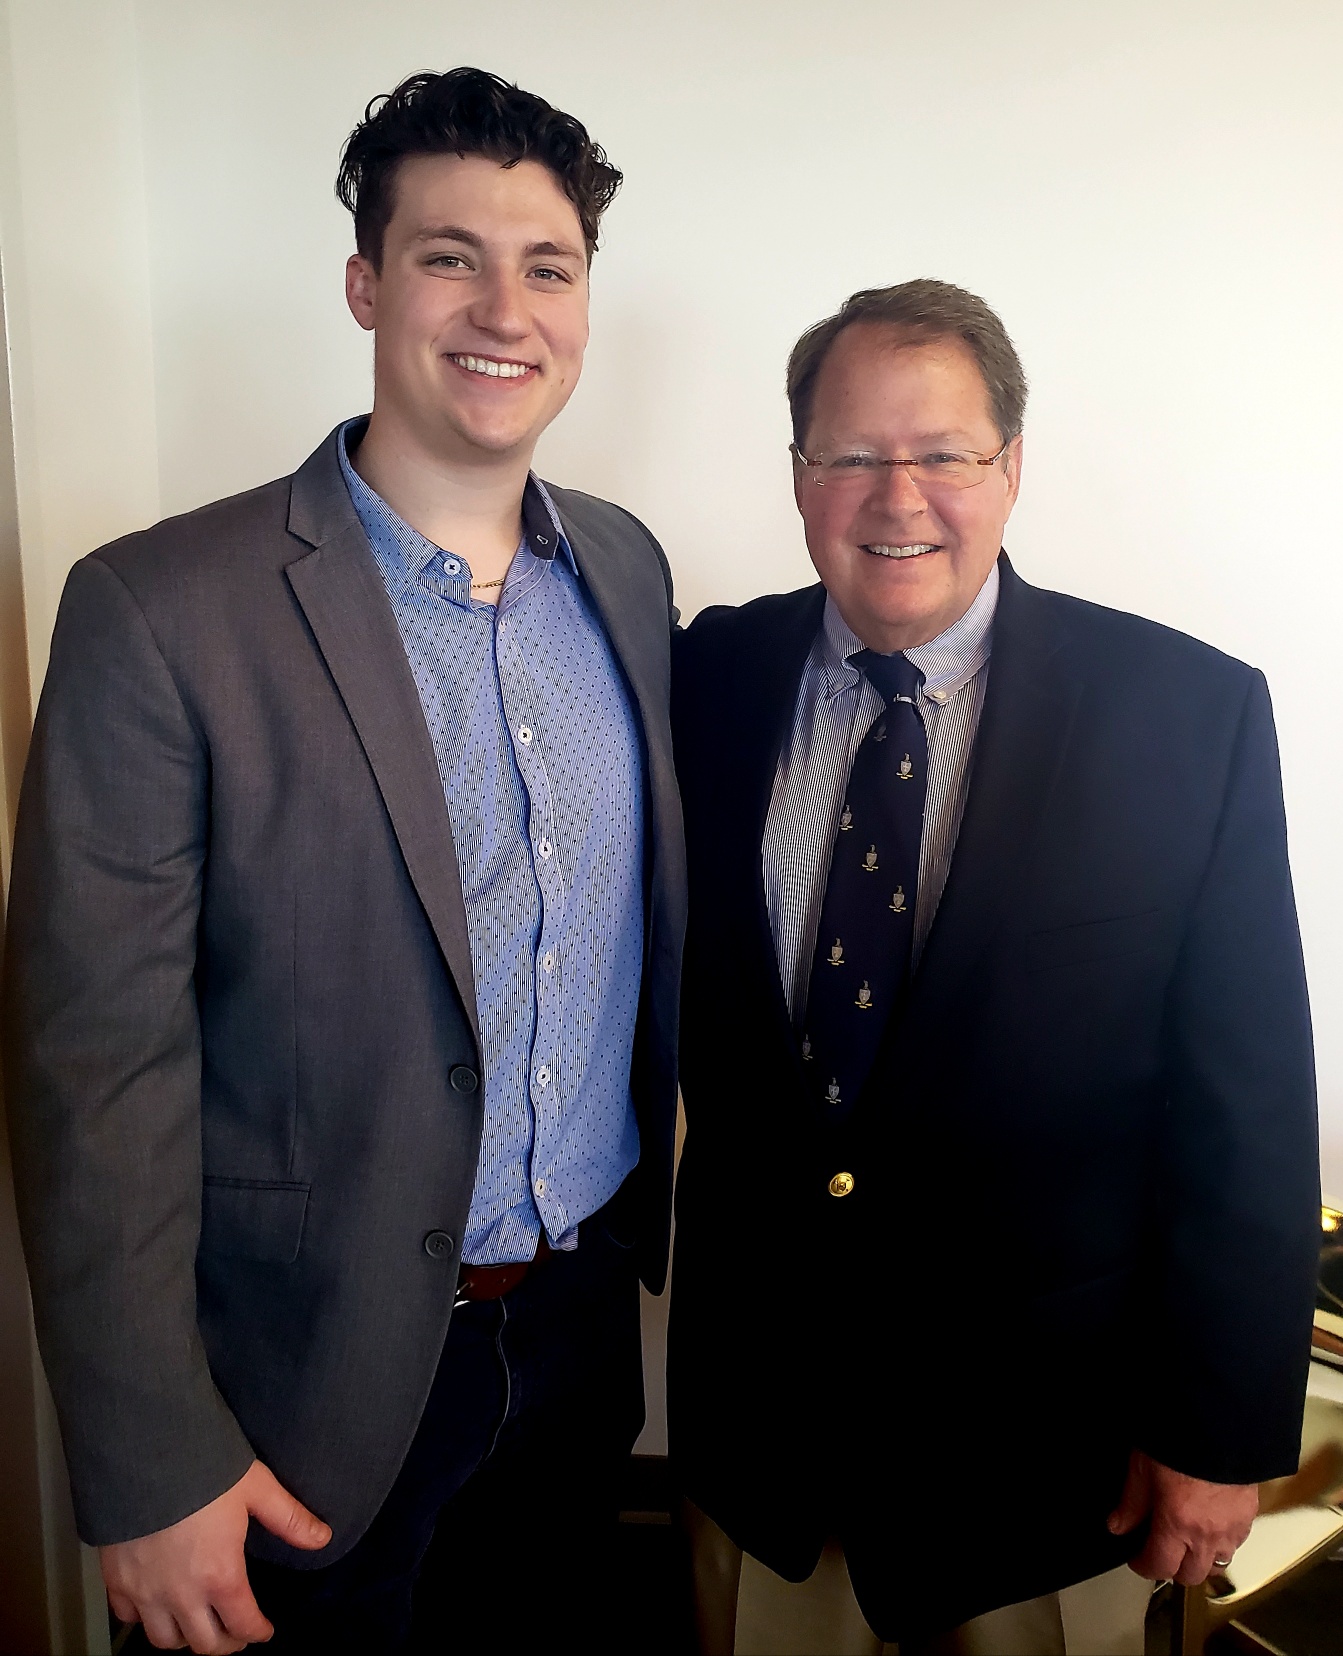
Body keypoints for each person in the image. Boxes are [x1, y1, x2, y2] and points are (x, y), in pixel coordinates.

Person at [4, 67, 684, 1656]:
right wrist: (149, 1458)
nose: (504, 308)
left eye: (548, 266)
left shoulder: (627, 567)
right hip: (295, 1385)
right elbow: (92, 1067)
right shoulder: (160, 609)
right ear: (368, 283)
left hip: (581, 1339)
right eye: (450, 257)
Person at [667, 279, 1318, 1655]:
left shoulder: (1185, 715)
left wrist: (1219, 1428)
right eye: (852, 453)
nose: (897, 497)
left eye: (944, 454)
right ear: (800, 475)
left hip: (1047, 1469)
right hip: (767, 1451)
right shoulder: (701, 679)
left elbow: (1250, 1107)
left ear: (1011, 466)